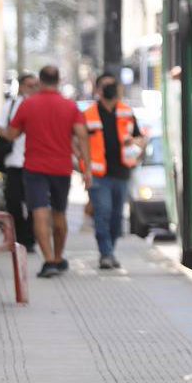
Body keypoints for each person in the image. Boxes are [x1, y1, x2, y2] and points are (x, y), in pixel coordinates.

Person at [2, 65, 91, 278]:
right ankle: (59, 257)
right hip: (61, 168)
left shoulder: (28, 105)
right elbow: (82, 136)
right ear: (59, 80)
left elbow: (13, 134)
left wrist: (4, 131)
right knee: (59, 213)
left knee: (39, 213)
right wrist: (87, 169)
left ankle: (49, 260)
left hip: (34, 168)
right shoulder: (70, 107)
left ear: (40, 81)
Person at [82, 72, 146, 269]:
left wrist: (134, 143)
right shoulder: (89, 115)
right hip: (99, 175)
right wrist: (83, 169)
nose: (110, 89)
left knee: (117, 217)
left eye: (113, 85)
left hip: (122, 173)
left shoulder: (127, 112)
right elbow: (78, 142)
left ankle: (110, 248)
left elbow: (140, 139)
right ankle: (106, 254)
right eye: (106, 86)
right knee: (103, 213)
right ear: (99, 90)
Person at [0, 73, 40, 253]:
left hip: (35, 162)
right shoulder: (11, 105)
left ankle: (30, 239)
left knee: (34, 203)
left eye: (35, 85)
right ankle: (19, 238)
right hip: (14, 161)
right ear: (21, 87)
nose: (33, 89)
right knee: (13, 202)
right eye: (29, 85)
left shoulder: (39, 105)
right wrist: (13, 135)